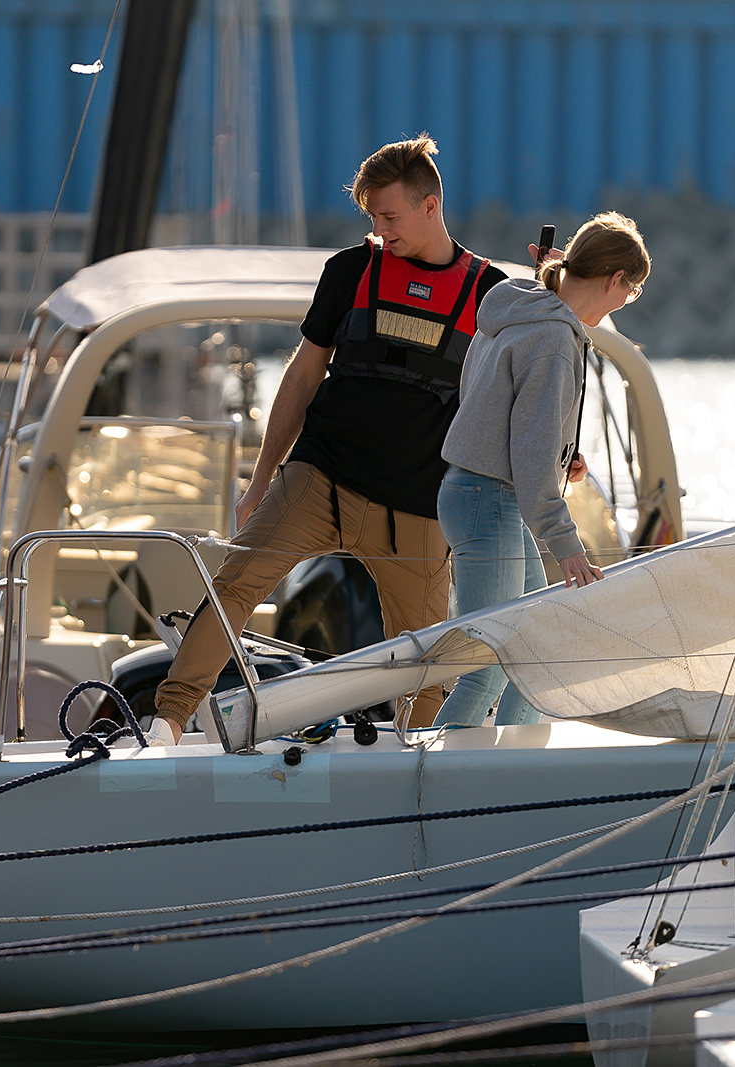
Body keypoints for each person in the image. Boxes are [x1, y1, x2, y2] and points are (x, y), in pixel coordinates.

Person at [147, 135, 508, 743]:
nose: (379, 230)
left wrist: (562, 457)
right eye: (372, 218)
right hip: (321, 477)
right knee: (235, 583)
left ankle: (421, 762)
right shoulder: (349, 270)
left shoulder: (489, 293)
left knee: (425, 660)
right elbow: (302, 376)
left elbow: (513, 396)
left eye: (389, 217)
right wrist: (261, 480)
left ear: (430, 206)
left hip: (418, 506)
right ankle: (168, 722)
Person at [431, 211, 651, 728]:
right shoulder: (553, 340)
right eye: (631, 292)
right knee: (488, 667)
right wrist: (567, 545)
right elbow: (529, 456)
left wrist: (558, 456)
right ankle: (428, 773)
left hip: (479, 494)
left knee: (534, 656)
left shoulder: (519, 308)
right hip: (490, 499)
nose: (626, 302)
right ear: (616, 279)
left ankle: (510, 764)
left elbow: (490, 408)